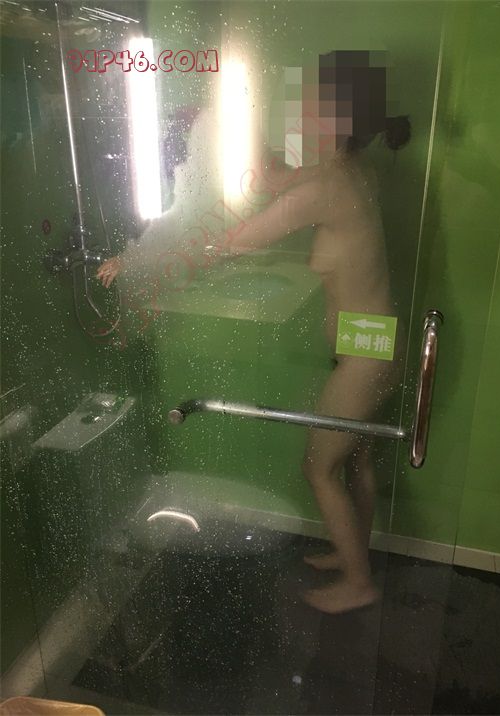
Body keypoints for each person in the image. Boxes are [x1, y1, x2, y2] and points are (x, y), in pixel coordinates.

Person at [97, 51, 410, 613]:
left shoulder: (327, 186)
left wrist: (141, 260)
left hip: (366, 358)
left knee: (319, 467)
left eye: (311, 98)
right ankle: (352, 555)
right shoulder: (350, 170)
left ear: (334, 115)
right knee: (356, 459)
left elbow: (237, 240)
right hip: (375, 342)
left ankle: (359, 583)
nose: (301, 107)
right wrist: (235, 135)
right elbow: (278, 179)